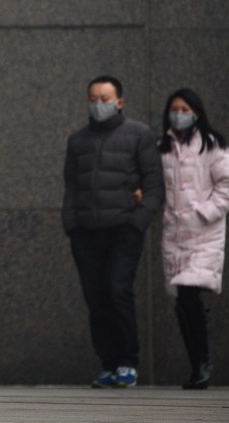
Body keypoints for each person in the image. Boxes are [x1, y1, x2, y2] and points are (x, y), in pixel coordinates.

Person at [62, 75, 165, 388]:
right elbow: (71, 186)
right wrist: (72, 225)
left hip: (123, 229)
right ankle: (108, 364)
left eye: (105, 99)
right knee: (96, 299)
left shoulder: (139, 135)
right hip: (86, 233)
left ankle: (127, 363)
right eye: (93, 99)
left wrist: (137, 221)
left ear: (120, 102)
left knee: (118, 290)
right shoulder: (78, 141)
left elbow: (154, 186)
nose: (98, 105)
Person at [158, 88, 229, 390]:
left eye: (185, 108)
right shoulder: (163, 147)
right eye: (174, 108)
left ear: (196, 112)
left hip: (204, 235)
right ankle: (198, 364)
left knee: (190, 294)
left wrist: (204, 213)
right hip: (175, 236)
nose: (179, 114)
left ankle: (202, 364)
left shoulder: (213, 145)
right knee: (183, 302)